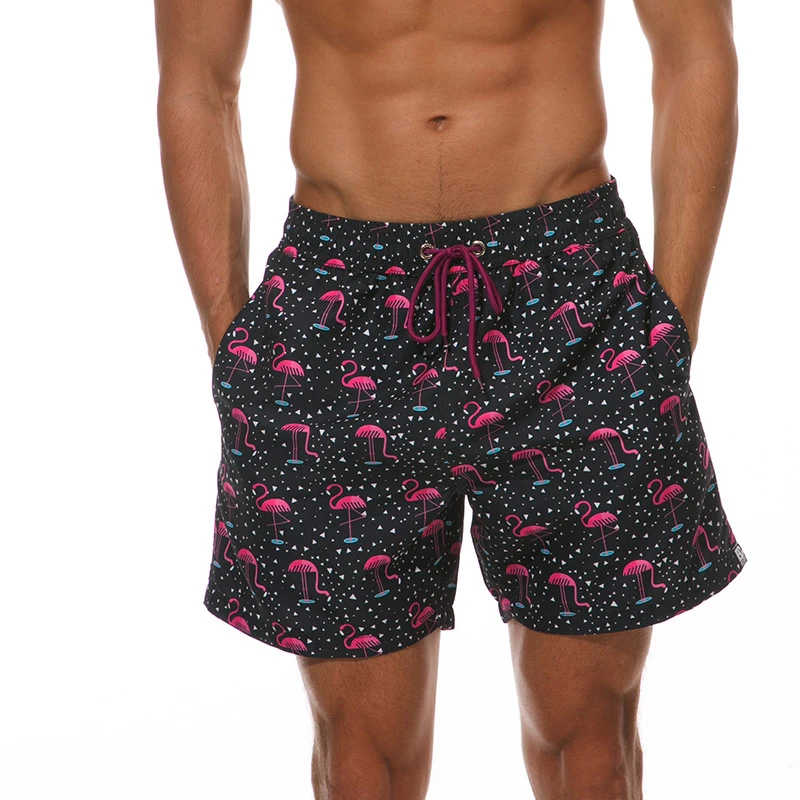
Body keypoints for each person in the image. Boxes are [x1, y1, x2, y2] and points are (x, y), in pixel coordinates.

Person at [155, 1, 747, 797]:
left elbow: (695, 52)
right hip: (340, 304)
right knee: (361, 759)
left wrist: (668, 330)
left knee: (592, 742)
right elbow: (197, 83)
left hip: (569, 290)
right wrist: (233, 347)